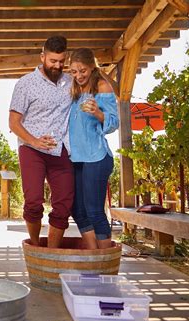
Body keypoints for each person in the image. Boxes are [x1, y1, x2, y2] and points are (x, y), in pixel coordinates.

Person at [9, 36, 74, 248]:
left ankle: (52, 252)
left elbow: (95, 80)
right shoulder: (25, 84)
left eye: (61, 61)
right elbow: (13, 123)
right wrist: (35, 141)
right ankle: (36, 248)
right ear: (42, 57)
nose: (57, 66)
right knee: (34, 201)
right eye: (52, 61)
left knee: (64, 203)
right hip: (31, 149)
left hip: (60, 149)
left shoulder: (70, 82)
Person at [68, 48, 119, 249]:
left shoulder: (102, 87)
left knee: (94, 211)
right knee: (77, 209)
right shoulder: (73, 89)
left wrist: (98, 113)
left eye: (83, 71)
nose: (78, 76)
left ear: (92, 67)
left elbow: (114, 123)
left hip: (96, 156)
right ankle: (93, 255)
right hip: (76, 158)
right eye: (73, 71)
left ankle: (105, 261)